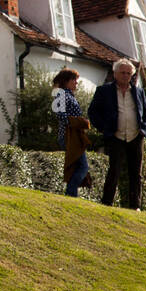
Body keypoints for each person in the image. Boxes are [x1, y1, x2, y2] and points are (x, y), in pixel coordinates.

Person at [87, 58, 146, 209]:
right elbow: (93, 112)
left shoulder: (138, 92)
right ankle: (107, 203)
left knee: (136, 173)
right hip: (115, 136)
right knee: (114, 171)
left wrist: (144, 130)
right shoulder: (104, 91)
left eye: (128, 73)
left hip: (136, 136)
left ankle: (135, 206)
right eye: (122, 72)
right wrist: (104, 128)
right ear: (115, 74)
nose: (125, 76)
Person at [52, 68, 90, 197]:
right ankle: (70, 193)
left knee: (76, 167)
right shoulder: (62, 94)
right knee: (83, 167)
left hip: (74, 135)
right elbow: (59, 114)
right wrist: (77, 122)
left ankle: (72, 193)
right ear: (66, 81)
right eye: (74, 80)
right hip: (69, 136)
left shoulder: (67, 95)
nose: (76, 83)